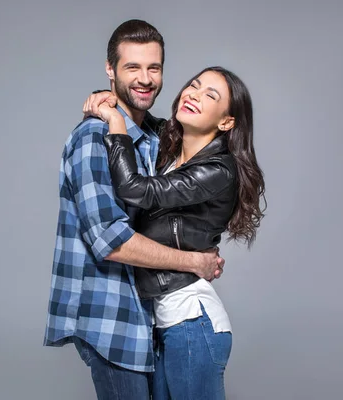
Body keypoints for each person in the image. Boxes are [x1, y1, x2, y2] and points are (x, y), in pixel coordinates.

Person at [43, 20, 225, 400]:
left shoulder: (153, 139)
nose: (145, 79)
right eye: (132, 68)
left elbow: (197, 137)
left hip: (148, 318)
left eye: (153, 68)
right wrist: (194, 262)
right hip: (110, 317)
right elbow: (111, 241)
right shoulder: (92, 139)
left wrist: (108, 102)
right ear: (110, 70)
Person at [84, 66, 266, 400]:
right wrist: (108, 97)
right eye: (194, 86)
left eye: (210, 95)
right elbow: (147, 120)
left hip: (192, 324)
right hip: (167, 325)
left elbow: (134, 189)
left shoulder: (217, 170)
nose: (194, 94)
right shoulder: (174, 155)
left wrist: (115, 123)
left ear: (226, 122)